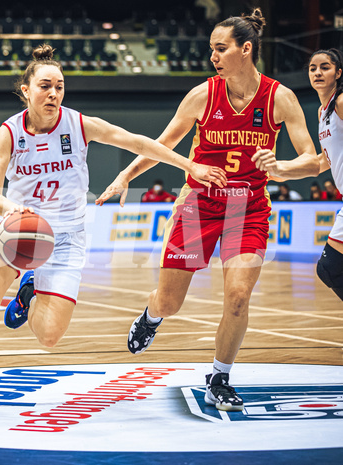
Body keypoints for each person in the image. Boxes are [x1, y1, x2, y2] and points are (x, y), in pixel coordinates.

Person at [0, 44, 228, 419]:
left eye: (60, 86)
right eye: (45, 87)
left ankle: (30, 290)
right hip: (20, 229)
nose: (53, 94)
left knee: (50, 337)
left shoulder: (79, 124)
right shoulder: (9, 133)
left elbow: (137, 141)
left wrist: (190, 165)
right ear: (26, 90)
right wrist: (9, 207)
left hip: (66, 237)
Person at [96, 8, 319, 412]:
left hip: (248, 208)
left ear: (245, 49)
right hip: (198, 205)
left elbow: (312, 158)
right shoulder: (203, 95)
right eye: (211, 49)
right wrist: (127, 174)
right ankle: (151, 316)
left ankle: (219, 376)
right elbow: (163, 144)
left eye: (221, 48)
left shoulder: (279, 98)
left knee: (237, 296)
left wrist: (283, 167)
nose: (213, 57)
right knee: (169, 302)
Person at [308, 49, 343, 301]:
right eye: (312, 68)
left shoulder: (341, 102)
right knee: (330, 269)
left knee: (329, 268)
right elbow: (323, 160)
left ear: (338, 73)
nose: (318, 72)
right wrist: (279, 171)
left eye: (325, 67)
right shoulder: (323, 112)